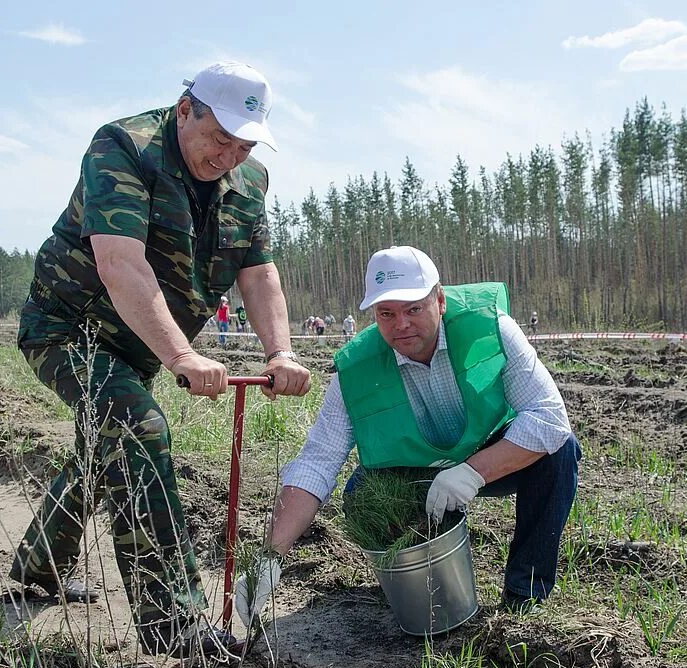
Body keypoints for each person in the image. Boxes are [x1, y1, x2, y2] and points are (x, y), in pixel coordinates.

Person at [9, 61, 312, 658]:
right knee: (138, 428)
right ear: (184, 110)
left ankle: (39, 567)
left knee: (107, 443)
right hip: (70, 330)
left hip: (135, 344)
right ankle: (172, 620)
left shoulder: (250, 183)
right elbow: (120, 263)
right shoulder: (123, 147)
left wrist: (280, 350)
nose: (228, 155)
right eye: (219, 137)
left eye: (243, 143)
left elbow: (259, 274)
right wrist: (181, 353)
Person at [234, 246, 581, 625]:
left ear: (440, 300)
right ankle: (422, 591)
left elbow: (549, 419)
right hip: (415, 466)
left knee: (559, 452)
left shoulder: (489, 327)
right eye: (387, 313)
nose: (401, 324)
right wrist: (270, 557)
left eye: (414, 309)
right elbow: (318, 462)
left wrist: (471, 472)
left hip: (491, 453)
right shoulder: (356, 369)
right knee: (362, 495)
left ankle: (524, 594)